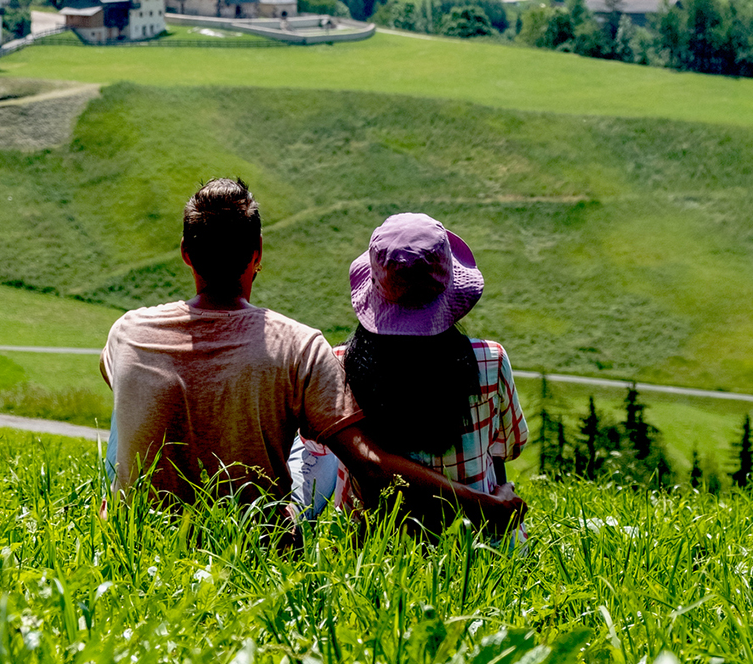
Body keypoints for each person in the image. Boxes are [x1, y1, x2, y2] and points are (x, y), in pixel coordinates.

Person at [101, 178, 526, 535]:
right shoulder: (298, 345)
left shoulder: (127, 332)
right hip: (254, 547)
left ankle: (119, 509)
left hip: (137, 540)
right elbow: (372, 467)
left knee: (132, 394)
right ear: (258, 253)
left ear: (185, 253)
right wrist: (481, 503)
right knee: (311, 441)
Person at [291, 212, 528, 538]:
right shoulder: (490, 359)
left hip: (372, 555)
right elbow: (510, 447)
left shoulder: (338, 365)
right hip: (477, 544)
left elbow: (317, 452)